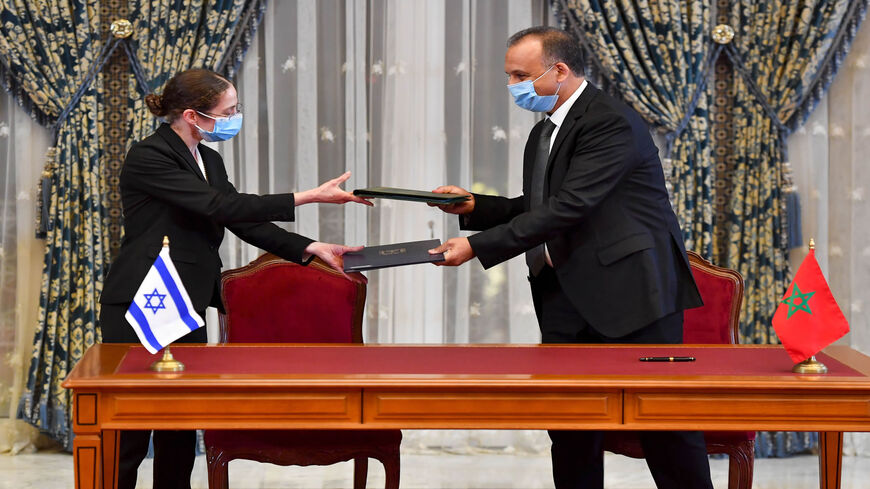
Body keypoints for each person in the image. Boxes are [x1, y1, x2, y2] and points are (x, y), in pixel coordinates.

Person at [428, 27, 713, 489]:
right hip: (564, 296)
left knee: (666, 429)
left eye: (521, 75)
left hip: (633, 296)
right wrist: (475, 206)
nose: (513, 87)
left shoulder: (609, 121)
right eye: (509, 76)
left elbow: (571, 206)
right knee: (571, 427)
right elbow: (541, 204)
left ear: (559, 70)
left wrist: (478, 246)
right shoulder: (546, 130)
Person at [99, 68, 371, 489]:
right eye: (229, 110)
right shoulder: (148, 155)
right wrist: (310, 194)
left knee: (178, 424)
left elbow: (242, 218)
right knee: (131, 425)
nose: (235, 116)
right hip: (144, 301)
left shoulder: (208, 158)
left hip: (186, 301)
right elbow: (216, 206)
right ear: (193, 115)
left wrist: (310, 247)